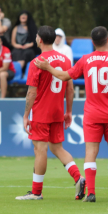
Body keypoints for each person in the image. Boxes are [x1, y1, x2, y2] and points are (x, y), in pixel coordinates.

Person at [34, 26, 108, 203]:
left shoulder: (85, 60)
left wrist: (48, 67)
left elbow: (65, 76)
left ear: (92, 42)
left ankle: (91, 193)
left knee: (91, 151)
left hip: (92, 113)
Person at [16, 26, 85, 201]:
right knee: (57, 147)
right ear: (54, 39)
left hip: (41, 111)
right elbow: (69, 88)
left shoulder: (37, 62)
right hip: (57, 110)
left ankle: (36, 192)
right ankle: (78, 177)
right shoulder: (65, 59)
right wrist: (68, 110)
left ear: (39, 39)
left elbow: (32, 93)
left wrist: (26, 115)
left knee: (40, 149)